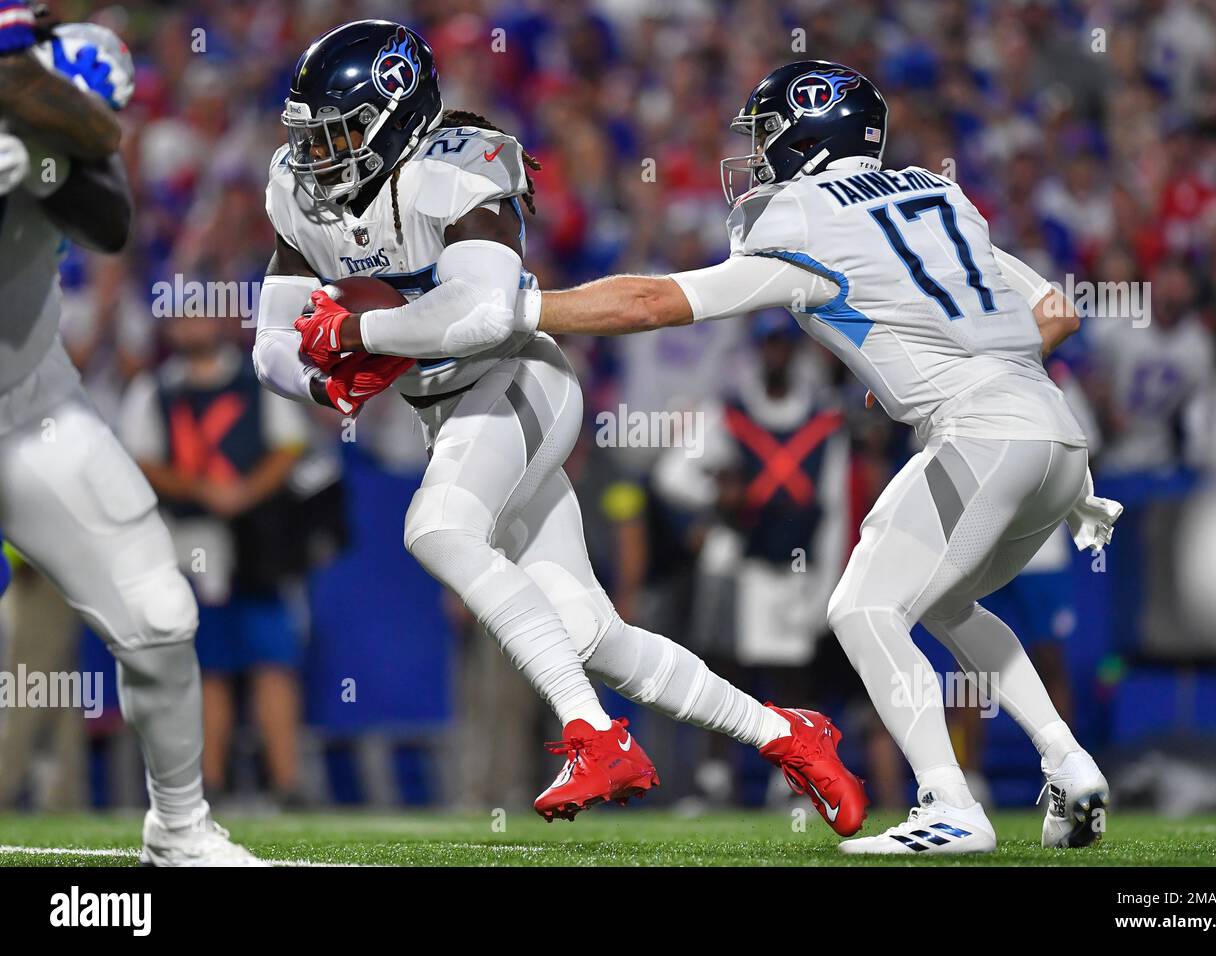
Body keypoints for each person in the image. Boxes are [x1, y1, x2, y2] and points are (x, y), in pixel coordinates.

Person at [254, 21, 866, 833]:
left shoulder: (458, 168)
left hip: (518, 382)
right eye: (311, 136)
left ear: (395, 117)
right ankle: (789, 734)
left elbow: (482, 314)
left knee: (437, 528)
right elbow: (271, 345)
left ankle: (593, 734)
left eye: (337, 132)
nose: (318, 155)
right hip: (453, 414)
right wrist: (328, 386)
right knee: (590, 633)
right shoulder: (300, 193)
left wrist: (361, 338)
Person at [505, 61, 1123, 854]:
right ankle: (1070, 765)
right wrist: (950, 358)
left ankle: (950, 804)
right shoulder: (940, 194)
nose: (758, 155)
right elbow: (1058, 311)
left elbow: (655, 301)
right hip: (1057, 437)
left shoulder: (799, 216)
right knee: (942, 604)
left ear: (809, 132)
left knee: (862, 608)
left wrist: (523, 309)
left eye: (766, 134)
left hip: (983, 435)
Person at [0, 7, 258, 863]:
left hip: (33, 414)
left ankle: (179, 826)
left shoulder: (57, 129)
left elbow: (107, 216)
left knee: (158, 612)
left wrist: (39, 165)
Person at [119, 313, 312, 804]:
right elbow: (140, 460)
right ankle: (210, 781)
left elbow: (291, 445)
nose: (191, 327)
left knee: (274, 661)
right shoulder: (154, 390)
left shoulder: (257, 380)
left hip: (258, 543)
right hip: (190, 541)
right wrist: (203, 490)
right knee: (209, 665)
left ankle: (287, 782)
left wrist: (244, 492)